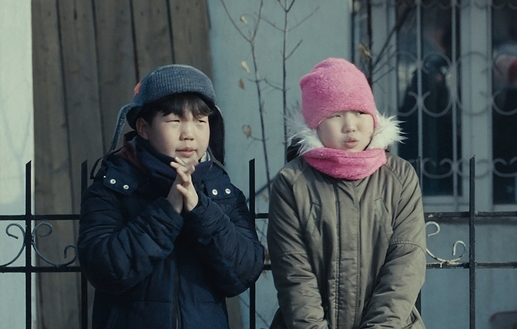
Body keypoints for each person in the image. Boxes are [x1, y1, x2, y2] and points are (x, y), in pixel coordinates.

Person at [78, 64, 264, 329]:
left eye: (200, 121)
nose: (189, 134)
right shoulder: (113, 187)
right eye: (175, 121)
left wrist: (199, 208)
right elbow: (104, 269)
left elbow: (244, 272)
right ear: (144, 128)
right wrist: (168, 209)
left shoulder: (221, 190)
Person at [268, 58, 427, 329]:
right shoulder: (292, 183)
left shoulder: (399, 177)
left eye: (360, 112)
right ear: (315, 123)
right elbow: (294, 274)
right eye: (335, 115)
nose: (350, 126)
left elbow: (406, 264)